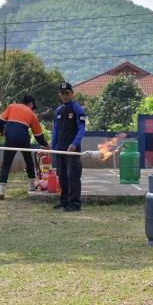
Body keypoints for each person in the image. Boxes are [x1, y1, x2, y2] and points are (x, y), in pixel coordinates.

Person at [0, 94, 50, 199]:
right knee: (28, 161)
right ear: (31, 104)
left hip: (10, 137)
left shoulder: (11, 106)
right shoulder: (31, 114)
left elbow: (0, 121)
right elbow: (38, 135)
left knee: (6, 163)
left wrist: (1, 131)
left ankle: (1, 191)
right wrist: (46, 145)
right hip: (23, 138)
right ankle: (31, 186)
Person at [51, 82, 86, 212]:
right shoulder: (58, 111)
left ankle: (74, 204)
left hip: (72, 150)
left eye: (67, 93)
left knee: (73, 177)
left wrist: (74, 144)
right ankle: (64, 201)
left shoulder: (77, 109)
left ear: (72, 93)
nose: (64, 96)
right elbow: (55, 130)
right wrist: (52, 147)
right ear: (59, 95)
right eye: (62, 93)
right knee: (62, 176)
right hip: (60, 149)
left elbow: (82, 129)